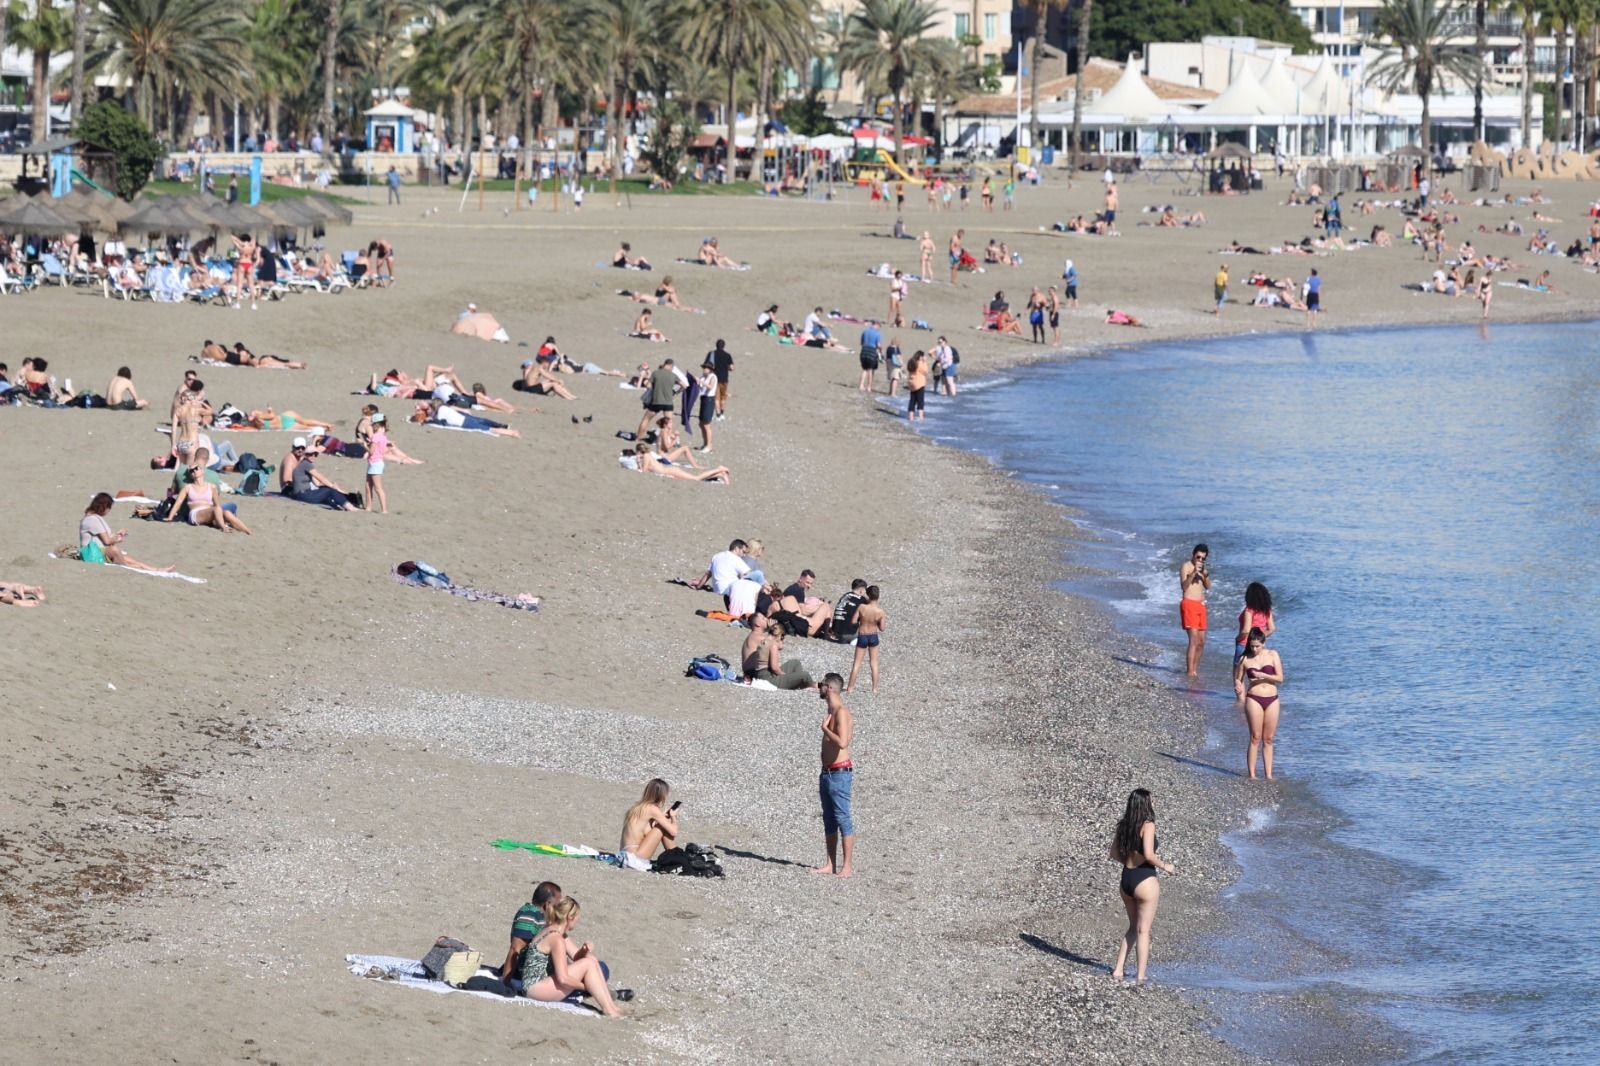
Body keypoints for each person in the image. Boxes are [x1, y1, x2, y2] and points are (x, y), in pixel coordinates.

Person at [1110, 788, 1175, 984]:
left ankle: (1118, 969)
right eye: (1151, 801)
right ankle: (1140, 975)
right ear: (1145, 804)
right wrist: (1166, 866)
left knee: (1132, 928)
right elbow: (1148, 854)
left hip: (1126, 878)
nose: (1154, 803)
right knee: (1143, 930)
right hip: (1145, 879)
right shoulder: (1148, 825)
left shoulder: (1123, 825)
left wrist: (1129, 863)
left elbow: (1113, 853)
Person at [525, 898, 624, 1016]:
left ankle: (612, 1007)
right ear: (570, 917)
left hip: (537, 984)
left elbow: (577, 957)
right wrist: (589, 987)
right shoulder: (556, 939)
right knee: (588, 964)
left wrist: (584, 950)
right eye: (577, 918)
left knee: (591, 960)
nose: (577, 921)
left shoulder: (555, 932)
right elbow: (563, 979)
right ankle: (609, 1010)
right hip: (535, 989)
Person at [812, 673, 855, 878]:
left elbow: (843, 742)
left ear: (829, 687)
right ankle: (830, 863)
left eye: (821, 685)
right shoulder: (831, 710)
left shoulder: (841, 712)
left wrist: (824, 729)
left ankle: (847, 867)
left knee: (842, 818)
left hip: (839, 773)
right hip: (827, 773)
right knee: (829, 819)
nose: (818, 687)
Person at [1233, 628, 1285, 780]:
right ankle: (1252, 775)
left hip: (1272, 698)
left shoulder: (1272, 654)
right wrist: (1238, 687)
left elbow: (1280, 678)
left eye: (1257, 646)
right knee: (1255, 737)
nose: (1254, 649)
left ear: (1263, 643)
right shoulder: (1245, 659)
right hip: (1254, 698)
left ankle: (1269, 775)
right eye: (1252, 646)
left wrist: (1263, 675)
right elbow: (1238, 678)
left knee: (1268, 738)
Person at [79, 493, 171, 571]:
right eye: (109, 508)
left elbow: (106, 538)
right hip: (93, 553)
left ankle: (156, 570)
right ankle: (133, 568)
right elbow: (107, 541)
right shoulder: (92, 520)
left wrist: (118, 535)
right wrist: (118, 539)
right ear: (104, 507)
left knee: (132, 560)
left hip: (100, 550)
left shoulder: (94, 518)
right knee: (117, 552)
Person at [500, 881, 562, 982]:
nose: (559, 909)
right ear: (548, 904)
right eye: (557, 905)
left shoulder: (543, 917)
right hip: (532, 974)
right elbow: (515, 949)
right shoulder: (530, 914)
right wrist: (505, 983)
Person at [165, 465, 253, 534]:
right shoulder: (188, 487)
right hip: (196, 514)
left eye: (196, 468)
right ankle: (223, 527)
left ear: (202, 471)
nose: (194, 471)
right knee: (216, 509)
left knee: (227, 513)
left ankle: (248, 531)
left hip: (211, 513)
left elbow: (217, 504)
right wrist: (170, 517)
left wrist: (219, 512)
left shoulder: (211, 487)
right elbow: (178, 503)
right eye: (191, 471)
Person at [363, 412, 421, 514]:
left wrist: (364, 445)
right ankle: (369, 507)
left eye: (373, 424)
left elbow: (371, 451)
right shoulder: (383, 436)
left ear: (377, 425)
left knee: (377, 488)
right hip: (376, 462)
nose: (371, 426)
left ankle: (383, 510)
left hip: (375, 463)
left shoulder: (376, 436)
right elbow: (384, 449)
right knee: (368, 486)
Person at [283, 438, 359, 510]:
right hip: (303, 495)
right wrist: (333, 487)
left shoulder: (304, 463)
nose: (313, 456)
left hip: (301, 494)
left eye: (315, 454)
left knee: (327, 490)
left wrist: (331, 485)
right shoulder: (306, 464)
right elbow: (320, 477)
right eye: (310, 454)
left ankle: (339, 506)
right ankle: (350, 508)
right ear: (306, 455)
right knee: (330, 491)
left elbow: (317, 483)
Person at [619, 778, 679, 861]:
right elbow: (673, 832)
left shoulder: (637, 808)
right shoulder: (652, 809)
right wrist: (673, 817)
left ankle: (676, 855)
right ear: (662, 795)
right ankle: (677, 856)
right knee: (662, 827)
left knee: (660, 825)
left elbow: (644, 832)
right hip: (635, 857)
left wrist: (661, 817)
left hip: (624, 855)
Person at [744, 621, 813, 689]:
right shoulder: (773, 645)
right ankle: (812, 687)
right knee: (805, 675)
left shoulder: (763, 642)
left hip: (761, 675)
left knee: (795, 663)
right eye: (782, 637)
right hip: (769, 679)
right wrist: (787, 676)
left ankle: (798, 684)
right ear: (780, 635)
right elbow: (775, 668)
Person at [843, 585, 885, 694]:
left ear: (868, 595)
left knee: (857, 663)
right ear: (878, 597)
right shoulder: (880, 612)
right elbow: (882, 628)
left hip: (862, 635)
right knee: (874, 663)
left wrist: (861, 621)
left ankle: (850, 688)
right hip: (873, 635)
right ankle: (874, 689)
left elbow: (853, 621)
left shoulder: (862, 607)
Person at [1180, 544, 1210, 677]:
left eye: (1203, 558)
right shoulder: (1186, 566)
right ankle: (1189, 671)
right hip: (1189, 604)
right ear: (1193, 555)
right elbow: (1184, 587)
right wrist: (1193, 574)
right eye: (1198, 557)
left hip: (1201, 605)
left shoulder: (1203, 569)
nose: (1200, 560)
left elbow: (1208, 586)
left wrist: (1205, 574)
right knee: (1194, 640)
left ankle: (1194, 669)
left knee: (1202, 641)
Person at [636, 358, 679, 440]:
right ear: (671, 366)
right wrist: (676, 392)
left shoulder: (656, 373)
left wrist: (655, 387)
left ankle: (638, 438)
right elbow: (684, 385)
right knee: (669, 422)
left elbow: (648, 385)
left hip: (656, 401)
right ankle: (668, 440)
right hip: (668, 402)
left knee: (646, 419)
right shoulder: (673, 375)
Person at [1234, 582, 1275, 667]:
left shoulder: (1249, 610)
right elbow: (1271, 628)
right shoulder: (1267, 610)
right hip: (1259, 645)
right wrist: (1259, 638)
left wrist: (1238, 638)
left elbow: (1246, 630)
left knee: (1238, 675)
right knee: (1256, 672)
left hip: (1244, 644)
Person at [708, 338, 733, 419]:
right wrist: (727, 368)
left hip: (714, 378)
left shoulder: (711, 354)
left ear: (716, 345)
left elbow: (708, 366)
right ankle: (722, 413)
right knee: (723, 396)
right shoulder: (727, 355)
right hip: (724, 378)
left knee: (716, 397)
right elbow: (732, 367)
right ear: (724, 346)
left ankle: (717, 414)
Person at [858, 320, 882, 393]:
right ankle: (868, 387)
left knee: (864, 369)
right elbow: (878, 345)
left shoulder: (865, 331)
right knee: (870, 370)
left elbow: (862, 343)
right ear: (877, 325)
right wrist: (881, 351)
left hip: (864, 350)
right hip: (871, 351)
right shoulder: (877, 333)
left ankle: (861, 385)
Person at [905, 350, 927, 421]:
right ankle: (921, 417)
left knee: (912, 400)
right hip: (919, 383)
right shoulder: (919, 363)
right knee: (920, 401)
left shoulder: (911, 361)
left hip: (912, 383)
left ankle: (911, 417)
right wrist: (925, 362)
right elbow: (925, 371)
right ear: (920, 356)